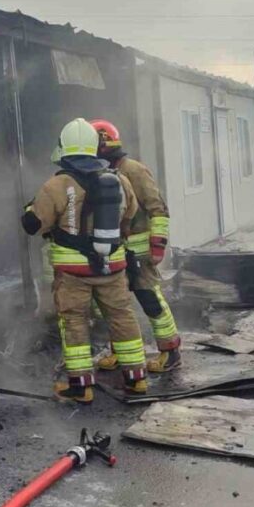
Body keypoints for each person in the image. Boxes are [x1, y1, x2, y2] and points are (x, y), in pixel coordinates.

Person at [22, 118, 148, 403]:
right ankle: (137, 379)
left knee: (75, 321)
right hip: (113, 267)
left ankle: (81, 387)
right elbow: (130, 215)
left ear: (64, 147)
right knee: (122, 317)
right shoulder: (120, 180)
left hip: (73, 272)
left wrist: (31, 208)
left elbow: (33, 224)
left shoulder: (57, 185)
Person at [89, 120, 182, 374]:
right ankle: (120, 351)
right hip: (115, 251)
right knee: (113, 305)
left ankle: (170, 351)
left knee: (150, 299)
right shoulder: (101, 173)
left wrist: (157, 245)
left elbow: (158, 209)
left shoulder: (134, 170)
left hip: (138, 252)